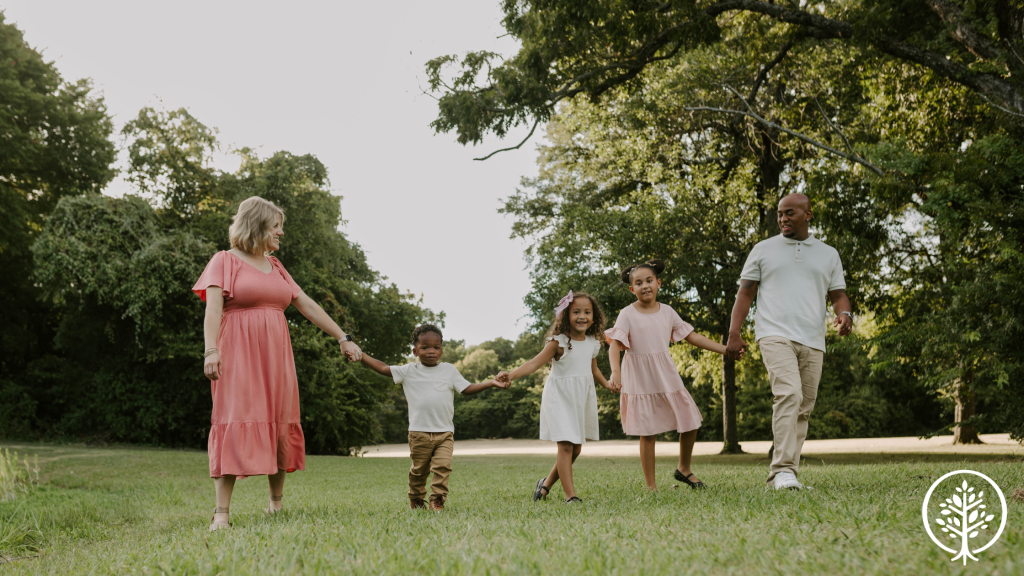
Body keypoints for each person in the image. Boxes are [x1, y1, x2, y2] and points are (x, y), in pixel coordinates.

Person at [193, 196, 362, 532]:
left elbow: (307, 305)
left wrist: (343, 337)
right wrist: (211, 351)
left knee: (280, 420)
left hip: (276, 356)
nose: (281, 233)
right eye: (276, 226)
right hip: (237, 354)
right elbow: (213, 310)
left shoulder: (277, 267)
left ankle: (276, 505)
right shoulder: (224, 261)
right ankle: (221, 513)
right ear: (256, 225)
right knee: (232, 419)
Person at [726, 193, 853, 491]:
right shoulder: (763, 249)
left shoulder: (828, 253)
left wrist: (844, 314)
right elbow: (745, 293)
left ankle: (788, 475)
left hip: (812, 338)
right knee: (789, 394)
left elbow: (838, 294)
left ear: (808, 214)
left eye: (790, 213)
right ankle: (781, 470)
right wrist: (734, 332)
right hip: (773, 333)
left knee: (804, 406)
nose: (783, 218)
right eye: (780, 214)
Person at [605, 260, 736, 491]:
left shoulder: (667, 311)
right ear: (631, 289)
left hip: (665, 373)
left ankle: (683, 469)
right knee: (648, 431)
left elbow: (692, 337)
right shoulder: (627, 314)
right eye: (638, 283)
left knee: (690, 419)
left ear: (658, 283)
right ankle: (651, 486)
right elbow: (614, 345)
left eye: (649, 281)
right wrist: (616, 372)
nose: (645, 286)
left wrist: (725, 349)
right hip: (639, 376)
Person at [359, 324, 508, 511]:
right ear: (415, 350)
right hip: (418, 433)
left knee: (443, 467)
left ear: (441, 350)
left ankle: (437, 499)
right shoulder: (408, 370)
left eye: (436, 347)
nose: (431, 351)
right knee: (419, 471)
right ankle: (416, 498)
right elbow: (382, 368)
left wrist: (490, 383)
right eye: (425, 347)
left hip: (444, 432)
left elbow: (467, 388)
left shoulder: (449, 370)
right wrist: (361, 354)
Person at [496, 291, 617, 504]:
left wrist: (607, 384)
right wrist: (511, 375)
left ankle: (545, 485)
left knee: (576, 449)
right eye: (576, 311)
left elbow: (594, 369)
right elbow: (534, 363)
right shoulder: (558, 342)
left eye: (587, 312)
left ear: (594, 316)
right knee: (566, 447)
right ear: (565, 315)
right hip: (560, 397)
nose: (582, 316)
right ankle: (570, 496)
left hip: (581, 398)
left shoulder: (592, 343)